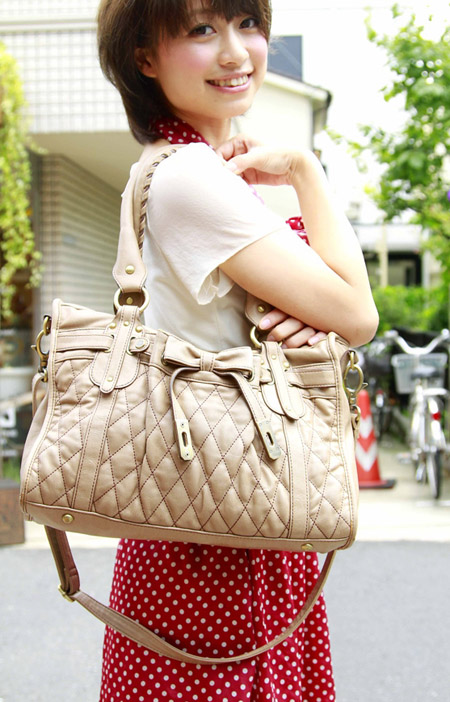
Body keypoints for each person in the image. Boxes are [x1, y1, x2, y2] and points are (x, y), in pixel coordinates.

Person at [96, 1, 379, 700]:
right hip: (226, 533)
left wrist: (320, 315)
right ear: (144, 56)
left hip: (207, 512)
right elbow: (358, 313)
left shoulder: (182, 170)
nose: (235, 51)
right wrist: (308, 173)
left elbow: (337, 314)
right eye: (201, 30)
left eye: (247, 23)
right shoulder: (190, 178)